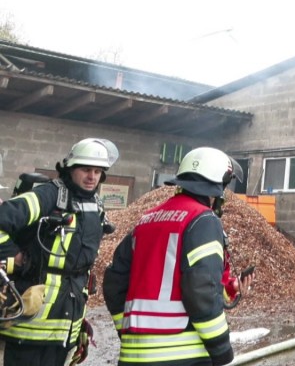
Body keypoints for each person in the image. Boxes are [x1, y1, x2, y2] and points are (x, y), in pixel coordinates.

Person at [103, 147, 239, 366]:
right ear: (217, 188)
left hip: (131, 356)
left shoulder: (146, 220)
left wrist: (126, 330)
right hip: (182, 356)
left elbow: (113, 283)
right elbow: (200, 288)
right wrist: (221, 348)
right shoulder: (203, 220)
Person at [0, 138, 118, 366]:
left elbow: (81, 270)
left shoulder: (96, 205)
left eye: (97, 171)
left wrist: (79, 321)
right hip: (30, 327)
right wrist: (15, 257)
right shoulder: (48, 196)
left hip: (65, 327)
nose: (92, 176)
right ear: (71, 169)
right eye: (85, 169)